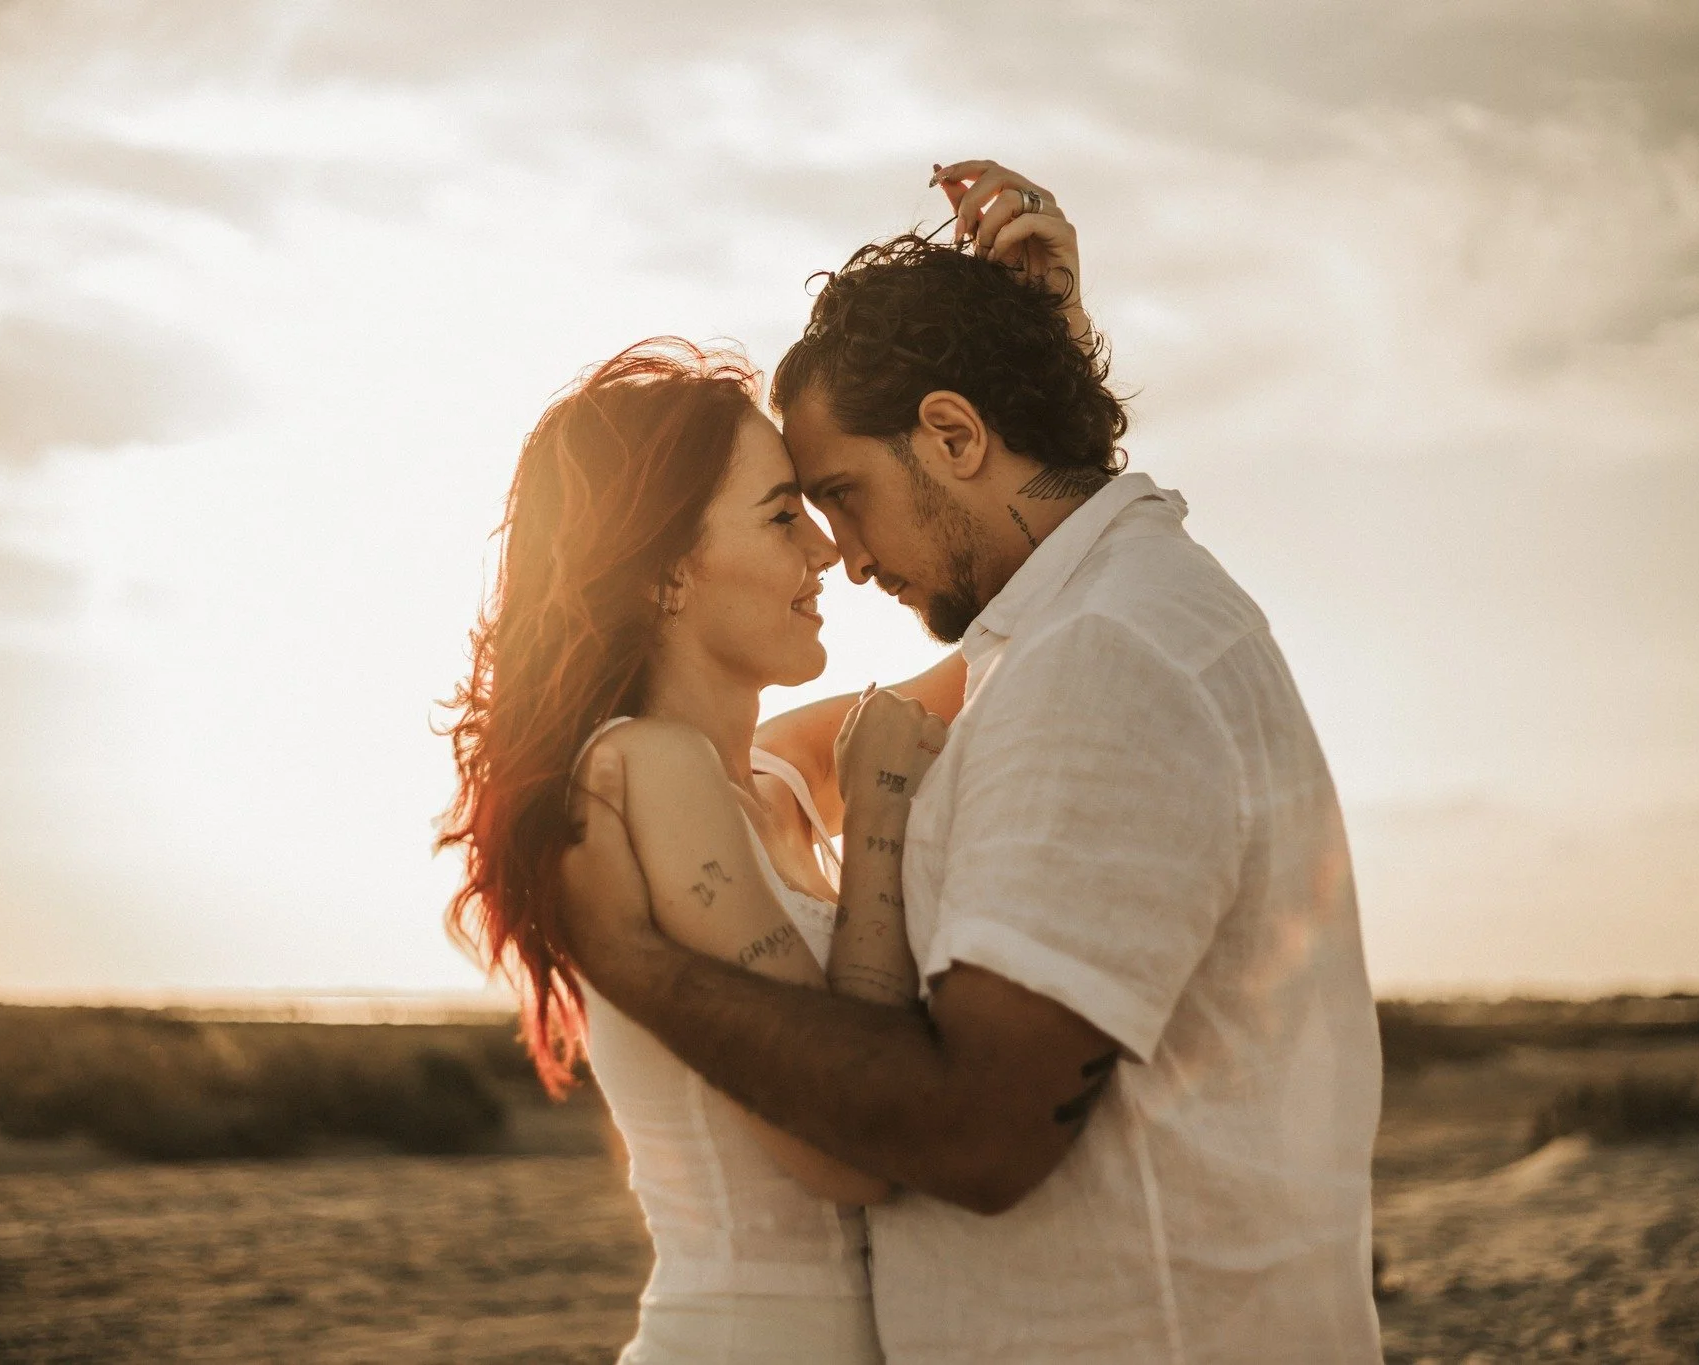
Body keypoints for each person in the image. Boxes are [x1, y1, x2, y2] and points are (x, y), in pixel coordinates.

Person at [558, 161, 1387, 1362]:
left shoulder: (1100, 654)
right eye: (793, 513)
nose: (839, 559)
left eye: (834, 497)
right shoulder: (1075, 630)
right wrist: (1041, 366)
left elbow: (975, 1134)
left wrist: (631, 960)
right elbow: (846, 725)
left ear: (950, 433)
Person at [435, 327, 982, 1354]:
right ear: (662, 576)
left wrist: (1040, 353)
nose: (825, 547)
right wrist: (876, 824)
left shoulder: (755, 777)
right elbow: (852, 1150)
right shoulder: (647, 769)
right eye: (783, 516)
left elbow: (1011, 642)